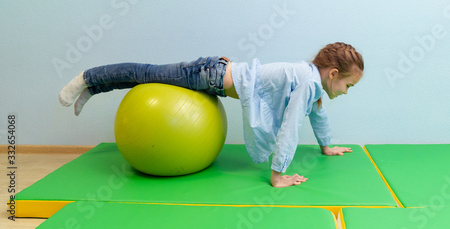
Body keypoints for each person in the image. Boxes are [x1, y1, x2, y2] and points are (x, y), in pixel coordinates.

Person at [59, 42, 364, 188]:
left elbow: (316, 114)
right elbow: (290, 127)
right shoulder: (309, 82)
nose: (346, 92)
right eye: (348, 85)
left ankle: (94, 89)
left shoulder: (310, 79)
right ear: (333, 73)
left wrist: (326, 145)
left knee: (145, 78)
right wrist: (278, 174)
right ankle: (88, 78)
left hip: (214, 75)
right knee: (145, 74)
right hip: (208, 75)